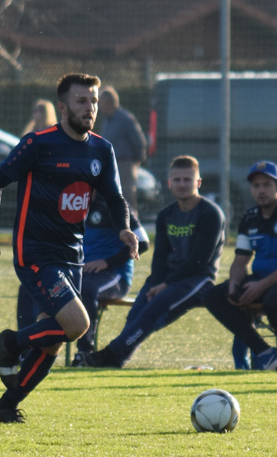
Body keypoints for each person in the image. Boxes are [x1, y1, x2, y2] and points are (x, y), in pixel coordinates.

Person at [0, 73, 135, 423]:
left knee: (51, 339)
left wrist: (124, 228)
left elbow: (115, 197)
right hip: (35, 253)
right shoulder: (38, 143)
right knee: (77, 324)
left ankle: (7, 405)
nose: (90, 108)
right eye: (82, 101)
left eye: (93, 101)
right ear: (63, 107)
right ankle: (11, 342)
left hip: (73, 256)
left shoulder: (101, 149)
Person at [83, 155, 225, 368]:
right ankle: (117, 359)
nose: (182, 184)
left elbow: (199, 261)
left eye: (187, 179)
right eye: (177, 180)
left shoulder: (210, 213)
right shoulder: (166, 215)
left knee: (154, 309)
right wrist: (157, 282)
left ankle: (110, 354)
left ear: (198, 182)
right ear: (169, 183)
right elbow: (160, 257)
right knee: (136, 313)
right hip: (168, 279)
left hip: (197, 280)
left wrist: (166, 285)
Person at [203, 161, 277, 371]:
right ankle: (264, 352)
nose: (261, 190)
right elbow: (240, 261)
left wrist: (261, 285)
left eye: (267, 185)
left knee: (275, 300)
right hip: (262, 280)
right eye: (256, 186)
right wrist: (235, 285)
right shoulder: (249, 218)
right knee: (213, 296)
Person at [18, 197, 148, 360]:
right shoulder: (71, 202)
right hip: (79, 272)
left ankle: (84, 352)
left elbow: (143, 242)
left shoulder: (114, 204)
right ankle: (25, 350)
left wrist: (106, 262)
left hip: (113, 276)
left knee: (87, 290)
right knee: (29, 287)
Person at [98, 86, 149, 212]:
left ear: (109, 102)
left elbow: (139, 141)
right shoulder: (107, 121)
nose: (98, 105)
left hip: (124, 165)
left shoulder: (125, 118)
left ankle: (132, 222)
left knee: (127, 198)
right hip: (110, 165)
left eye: (100, 101)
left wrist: (135, 161)